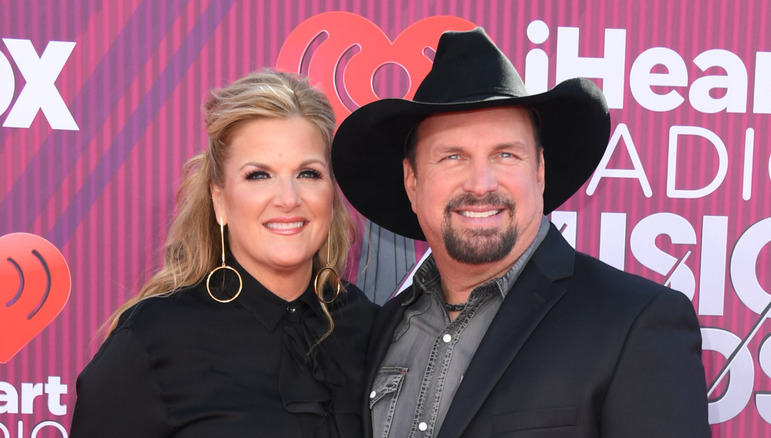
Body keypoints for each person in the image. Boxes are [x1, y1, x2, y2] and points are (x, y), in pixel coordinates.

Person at [331, 28, 710, 438]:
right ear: (413, 183)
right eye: (452, 156)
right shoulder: (384, 327)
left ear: (539, 172)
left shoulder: (635, 323)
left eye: (505, 154)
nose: (481, 183)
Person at [71, 70, 378, 437]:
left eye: (308, 174)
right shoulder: (154, 339)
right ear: (219, 199)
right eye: (258, 175)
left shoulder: (371, 329)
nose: (288, 199)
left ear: (331, 193)